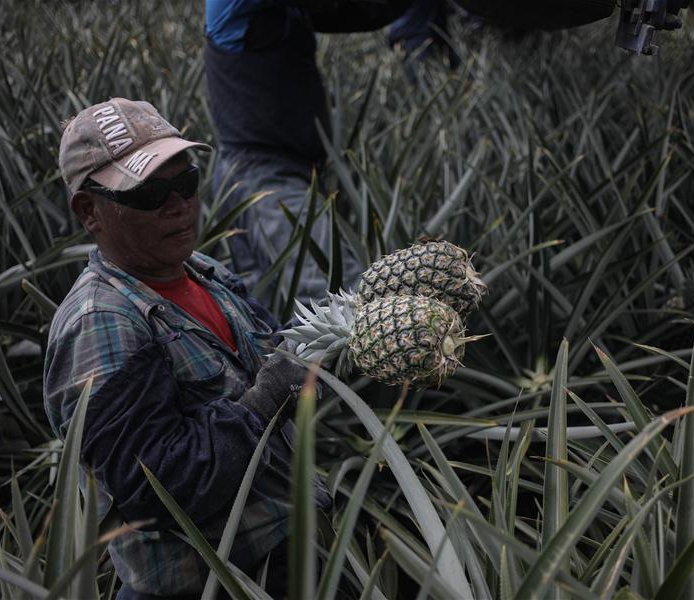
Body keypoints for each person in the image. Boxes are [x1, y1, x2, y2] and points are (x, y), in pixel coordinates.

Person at [44, 97, 328, 599]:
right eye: (149, 192)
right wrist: (264, 405)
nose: (178, 205)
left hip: (284, 555)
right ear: (90, 211)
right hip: (208, 586)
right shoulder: (102, 323)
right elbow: (157, 487)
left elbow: (263, 354)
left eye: (186, 182)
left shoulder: (202, 269)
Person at [204, 0, 421, 303]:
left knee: (272, 311)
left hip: (271, 174)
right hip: (263, 180)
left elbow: (362, 12)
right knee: (342, 300)